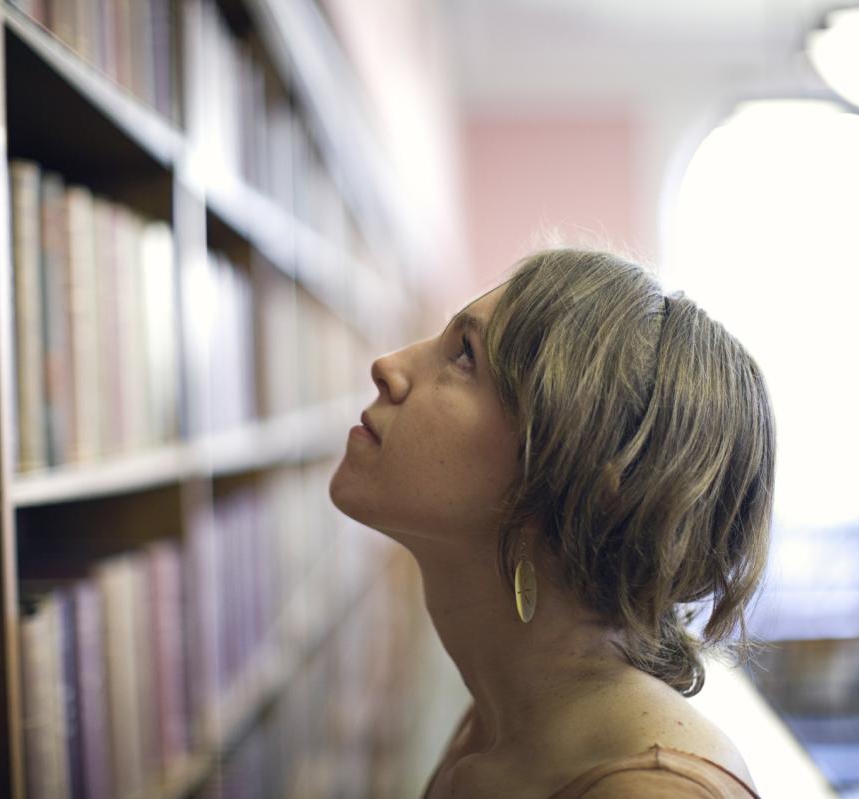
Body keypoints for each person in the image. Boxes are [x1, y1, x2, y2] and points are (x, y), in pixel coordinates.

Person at [329, 248, 775, 798]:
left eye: (464, 355)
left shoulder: (652, 792)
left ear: (573, 478)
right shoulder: (501, 712)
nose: (388, 366)